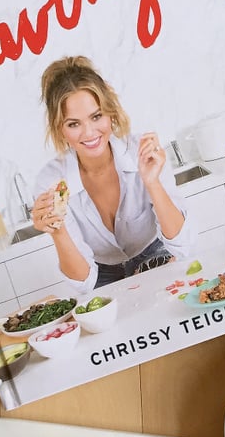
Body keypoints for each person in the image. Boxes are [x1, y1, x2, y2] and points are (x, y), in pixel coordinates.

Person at [31, 56, 195, 290]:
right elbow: (84, 283)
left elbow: (183, 245)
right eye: (74, 124)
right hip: (100, 272)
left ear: (111, 112)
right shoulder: (51, 182)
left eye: (96, 117)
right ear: (60, 128)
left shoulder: (142, 151)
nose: (89, 133)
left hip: (156, 253)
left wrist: (152, 183)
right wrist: (57, 231)